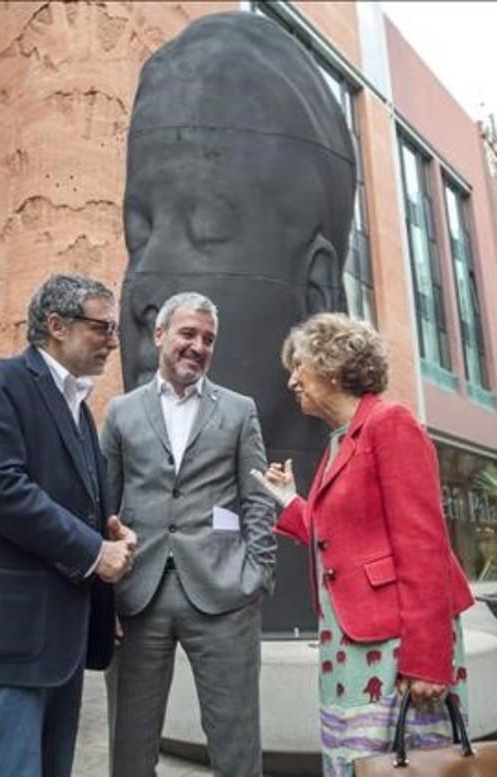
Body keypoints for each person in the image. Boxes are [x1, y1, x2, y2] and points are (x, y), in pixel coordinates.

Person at [119, 13, 357, 635]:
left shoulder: (373, 447)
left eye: (204, 228)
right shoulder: (118, 438)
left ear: (316, 290)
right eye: (139, 232)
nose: (144, 288)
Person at [0, 274, 136, 777]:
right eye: (102, 326)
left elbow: (69, 504)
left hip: (62, 637)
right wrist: (94, 552)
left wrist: (109, 537)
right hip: (7, 636)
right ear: (56, 325)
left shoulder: (80, 410)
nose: (113, 340)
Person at [252, 313, 475, 775]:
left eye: (299, 366)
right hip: (347, 641)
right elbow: (344, 537)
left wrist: (429, 659)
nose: (292, 380)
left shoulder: (389, 424)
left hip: (393, 644)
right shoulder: (341, 440)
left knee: (407, 761)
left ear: (333, 366)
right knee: (359, 760)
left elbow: (424, 546)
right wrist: (290, 502)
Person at [101, 292, 276, 777]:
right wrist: (105, 595)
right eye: (188, 333)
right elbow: (103, 507)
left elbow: (258, 497)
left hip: (224, 595)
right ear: (160, 336)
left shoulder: (240, 411)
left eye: (208, 338)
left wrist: (256, 574)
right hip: (138, 597)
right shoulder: (120, 412)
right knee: (130, 750)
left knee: (237, 745)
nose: (198, 345)